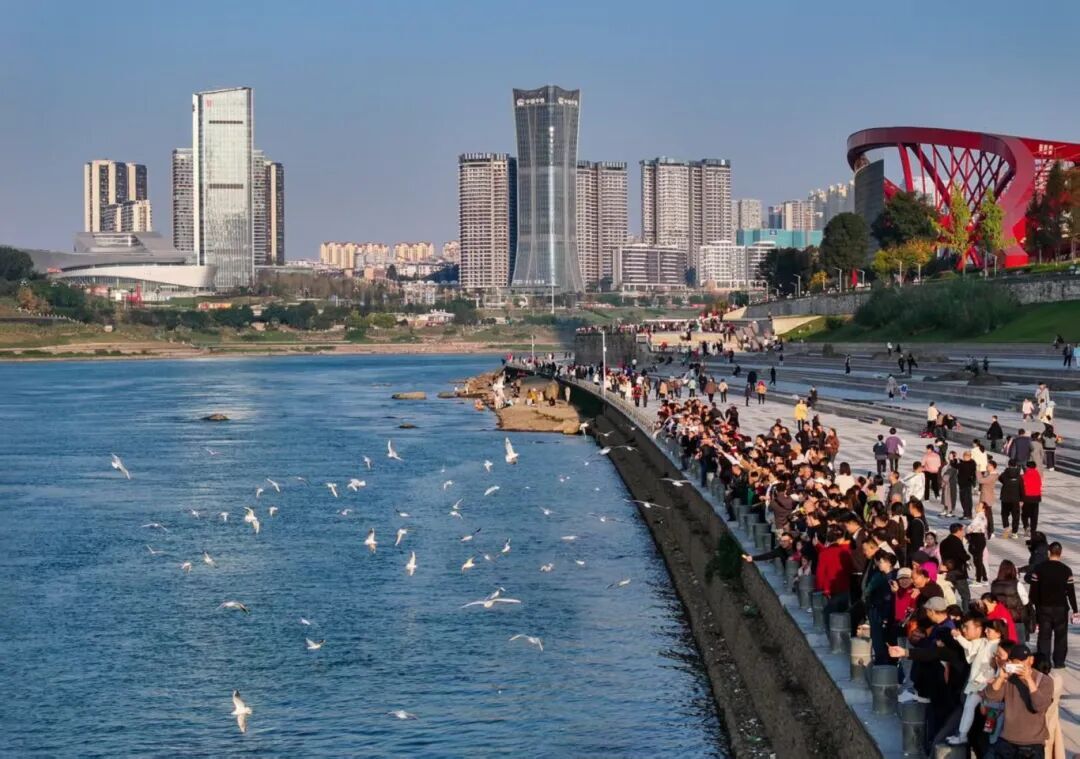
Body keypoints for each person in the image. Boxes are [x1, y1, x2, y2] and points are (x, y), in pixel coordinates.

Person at [981, 643, 1055, 757]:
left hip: (1032, 744)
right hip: (1007, 740)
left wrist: (1028, 679)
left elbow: (1039, 706)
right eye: (1015, 661)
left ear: (1031, 660)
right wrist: (1000, 678)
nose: (1019, 664)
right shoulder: (1009, 678)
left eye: (1022, 661)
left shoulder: (1045, 680)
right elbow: (991, 698)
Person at [944, 614, 998, 746]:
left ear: (998, 633)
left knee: (991, 713)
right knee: (970, 707)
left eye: (989, 630)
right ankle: (962, 735)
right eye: (986, 629)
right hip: (977, 683)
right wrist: (959, 637)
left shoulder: (998, 646)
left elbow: (998, 668)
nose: (986, 631)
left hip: (988, 684)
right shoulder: (983, 641)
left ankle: (990, 740)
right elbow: (969, 646)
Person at [1028, 542, 1077, 669]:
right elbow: (1070, 592)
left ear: (1049, 552)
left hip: (1044, 608)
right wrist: (1075, 609)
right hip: (1061, 608)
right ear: (1060, 553)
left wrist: (1033, 606)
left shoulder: (1039, 569)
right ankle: (1059, 662)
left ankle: (1044, 662)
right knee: (1061, 637)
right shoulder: (1066, 570)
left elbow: (1034, 591)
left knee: (1044, 636)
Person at [967, 501, 991, 583]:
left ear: (983, 509)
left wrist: (966, 530)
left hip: (977, 538)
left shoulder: (979, 516)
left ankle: (978, 580)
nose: (976, 507)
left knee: (978, 560)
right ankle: (984, 577)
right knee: (978, 559)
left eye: (979, 506)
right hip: (979, 538)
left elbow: (971, 528)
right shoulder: (982, 516)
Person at [999, 458, 1024, 540]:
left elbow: (1000, 478)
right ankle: (1014, 532)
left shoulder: (1004, 474)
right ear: (1016, 465)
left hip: (1005, 498)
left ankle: (1006, 527)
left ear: (1008, 465)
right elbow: (1022, 488)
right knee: (1016, 516)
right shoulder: (1019, 476)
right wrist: (1022, 499)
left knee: (1004, 514)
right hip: (1016, 499)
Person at [1021, 462, 1042, 535]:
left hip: (1027, 497)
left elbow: (1022, 486)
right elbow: (1040, 484)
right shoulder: (1037, 474)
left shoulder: (1025, 475)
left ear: (1027, 467)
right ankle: (1033, 530)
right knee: (1034, 515)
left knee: (1024, 514)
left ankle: (1026, 526)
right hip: (1036, 498)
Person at [955, 451, 977, 519]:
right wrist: (960, 460)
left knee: (964, 500)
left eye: (964, 456)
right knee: (968, 500)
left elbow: (955, 466)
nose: (963, 457)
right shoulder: (972, 463)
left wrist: (954, 459)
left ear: (966, 456)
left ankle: (966, 514)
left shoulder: (963, 464)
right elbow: (965, 463)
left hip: (963, 484)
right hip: (969, 483)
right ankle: (968, 514)